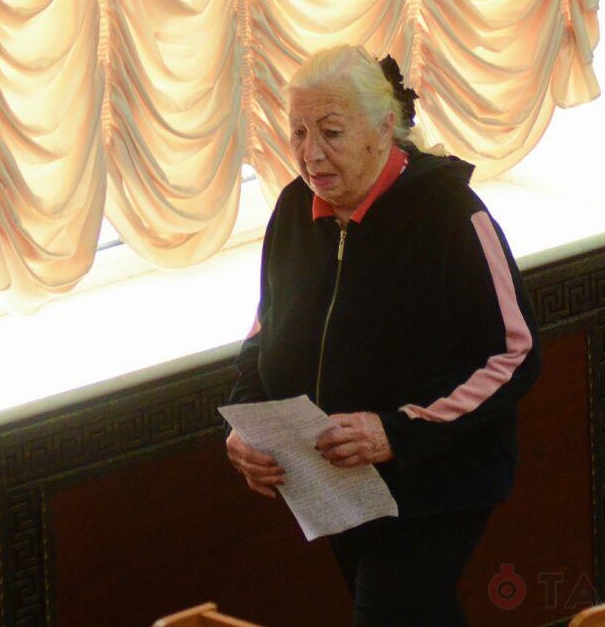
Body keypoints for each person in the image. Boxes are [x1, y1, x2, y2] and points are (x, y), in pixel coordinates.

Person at [225, 44, 541, 627]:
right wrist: (248, 423)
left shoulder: (449, 212)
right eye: (297, 132)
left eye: (331, 132)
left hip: (437, 480)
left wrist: (396, 432)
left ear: (382, 128)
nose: (310, 153)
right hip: (336, 479)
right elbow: (265, 328)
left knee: (389, 612)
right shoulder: (294, 208)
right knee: (417, 616)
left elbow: (515, 353)